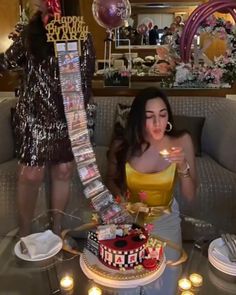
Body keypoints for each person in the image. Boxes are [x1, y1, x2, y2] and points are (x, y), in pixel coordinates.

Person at [0, 0, 95, 237]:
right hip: (34, 115)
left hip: (67, 116)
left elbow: (86, 78)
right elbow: (7, 62)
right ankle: (24, 234)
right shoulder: (30, 34)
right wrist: (22, 38)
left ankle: (57, 230)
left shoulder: (81, 35)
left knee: (63, 170)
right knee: (32, 173)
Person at [106, 87, 197, 294]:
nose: (158, 124)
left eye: (162, 115)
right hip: (131, 222)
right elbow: (110, 180)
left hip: (167, 221)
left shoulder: (182, 141)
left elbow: (190, 197)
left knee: (165, 285)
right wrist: (119, 198)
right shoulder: (124, 145)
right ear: (139, 119)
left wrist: (183, 167)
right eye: (150, 117)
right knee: (128, 286)